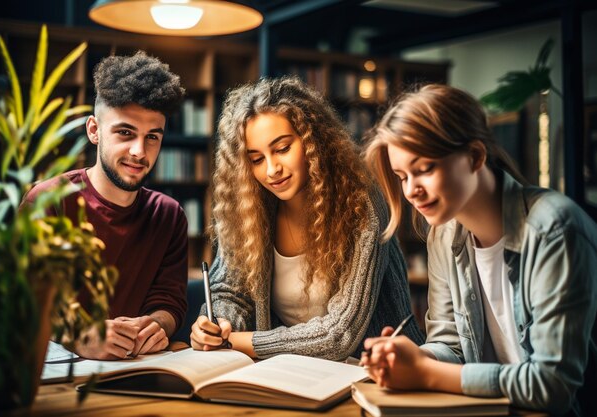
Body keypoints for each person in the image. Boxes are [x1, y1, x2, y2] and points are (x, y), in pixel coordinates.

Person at [361, 84, 597, 416]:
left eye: (425, 169)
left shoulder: (554, 229)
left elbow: (552, 385)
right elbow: (450, 345)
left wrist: (426, 373)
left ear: (474, 156)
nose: (412, 190)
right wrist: (414, 358)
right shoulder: (443, 235)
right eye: (402, 176)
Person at [190, 76, 423, 360]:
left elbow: (339, 335)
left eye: (282, 149)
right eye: (256, 159)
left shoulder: (361, 203)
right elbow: (230, 291)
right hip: (290, 372)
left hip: (376, 369)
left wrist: (239, 342)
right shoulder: (248, 209)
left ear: (314, 141)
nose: (272, 169)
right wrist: (219, 326)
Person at [23, 51, 188, 360]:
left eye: (152, 137)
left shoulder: (169, 215)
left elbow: (170, 302)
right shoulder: (48, 202)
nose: (139, 152)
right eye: (125, 133)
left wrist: (157, 324)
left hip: (136, 370)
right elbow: (24, 302)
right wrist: (79, 336)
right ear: (94, 131)